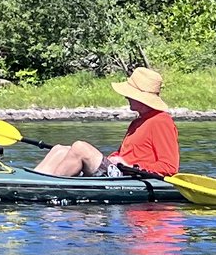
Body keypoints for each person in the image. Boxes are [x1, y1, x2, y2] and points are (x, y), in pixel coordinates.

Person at [37, 66, 179, 178]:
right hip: (119, 170)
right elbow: (122, 154)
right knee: (60, 149)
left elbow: (169, 167)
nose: (126, 97)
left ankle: (52, 185)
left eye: (130, 94)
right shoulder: (138, 122)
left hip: (127, 176)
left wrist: (131, 166)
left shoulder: (161, 121)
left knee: (80, 147)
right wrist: (114, 159)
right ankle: (32, 180)